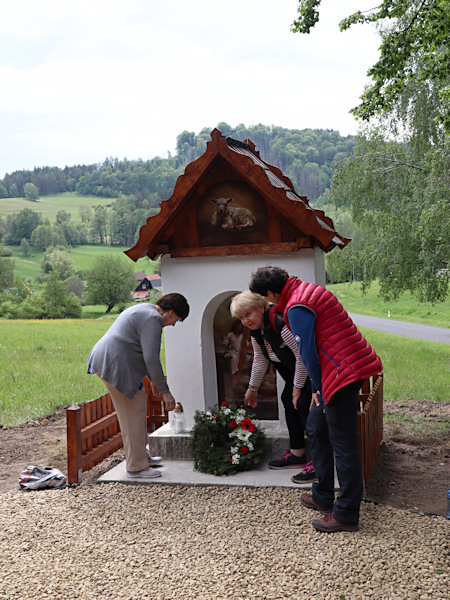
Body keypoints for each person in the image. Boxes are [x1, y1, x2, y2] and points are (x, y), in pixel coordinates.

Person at [249, 266, 383, 533]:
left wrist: (317, 389)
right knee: (316, 427)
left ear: (273, 291)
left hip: (340, 374)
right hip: (344, 367)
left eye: (268, 299)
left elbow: (306, 351)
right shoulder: (304, 291)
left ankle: (345, 514)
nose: (270, 304)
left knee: (344, 445)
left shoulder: (297, 305)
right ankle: (322, 496)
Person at [87, 293, 189, 479]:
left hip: (111, 361)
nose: (173, 324)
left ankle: (141, 458)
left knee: (137, 407)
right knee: (132, 414)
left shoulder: (145, 309)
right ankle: (136, 467)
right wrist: (166, 393)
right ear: (171, 312)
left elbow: (143, 352)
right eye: (176, 320)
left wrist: (153, 379)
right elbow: (151, 358)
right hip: (114, 364)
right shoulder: (153, 319)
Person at [230, 290, 314, 473]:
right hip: (296, 375)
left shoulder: (280, 324)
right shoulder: (257, 333)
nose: (245, 321)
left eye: (248, 314)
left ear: (261, 307)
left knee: (306, 409)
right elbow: (260, 359)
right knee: (288, 401)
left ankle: (318, 464)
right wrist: (252, 388)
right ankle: (297, 454)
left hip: (312, 373)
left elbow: (303, 356)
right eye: (241, 318)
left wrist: (297, 387)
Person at [223, 320, 244, 385]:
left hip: (239, 353)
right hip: (231, 353)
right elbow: (225, 343)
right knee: (234, 358)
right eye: (238, 326)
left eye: (241, 327)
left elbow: (245, 345)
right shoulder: (231, 334)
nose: (239, 328)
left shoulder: (242, 336)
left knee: (249, 358)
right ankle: (234, 377)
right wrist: (223, 338)